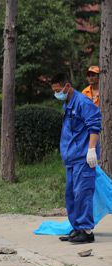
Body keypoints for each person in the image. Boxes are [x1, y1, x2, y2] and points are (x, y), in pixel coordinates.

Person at [51, 73, 102, 244]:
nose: (57, 94)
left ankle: (87, 231)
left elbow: (94, 125)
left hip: (83, 157)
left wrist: (92, 149)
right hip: (72, 158)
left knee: (83, 194)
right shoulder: (68, 103)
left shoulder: (82, 102)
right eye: (55, 91)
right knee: (71, 195)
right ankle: (77, 228)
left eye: (59, 90)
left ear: (67, 86)